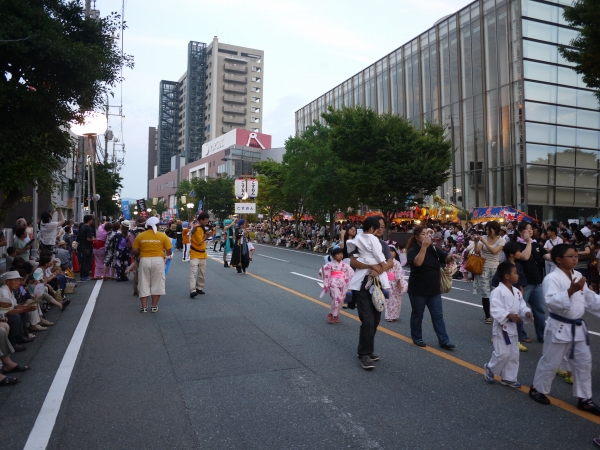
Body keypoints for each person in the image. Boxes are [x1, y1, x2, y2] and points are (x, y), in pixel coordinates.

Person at [529, 244, 600, 415]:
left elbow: (590, 299)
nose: (575, 259)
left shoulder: (578, 275)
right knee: (551, 361)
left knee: (584, 363)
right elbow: (551, 302)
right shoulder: (551, 278)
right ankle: (537, 388)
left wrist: (576, 289)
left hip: (578, 328)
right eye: (571, 256)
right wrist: (570, 291)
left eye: (576, 256)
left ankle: (584, 398)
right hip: (559, 326)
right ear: (559, 259)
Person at [346, 217, 392, 370]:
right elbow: (353, 262)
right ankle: (364, 353)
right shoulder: (359, 241)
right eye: (379, 226)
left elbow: (390, 262)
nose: (380, 229)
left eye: (383, 227)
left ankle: (367, 349)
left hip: (378, 284)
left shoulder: (383, 244)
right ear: (372, 228)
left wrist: (378, 270)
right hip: (362, 284)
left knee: (376, 319)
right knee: (367, 319)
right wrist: (372, 266)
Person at [406, 226, 460, 350]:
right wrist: (424, 247)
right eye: (423, 234)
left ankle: (444, 340)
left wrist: (451, 257)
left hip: (434, 288)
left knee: (438, 315)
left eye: (427, 233)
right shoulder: (413, 250)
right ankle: (417, 337)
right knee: (417, 314)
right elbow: (417, 263)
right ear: (416, 237)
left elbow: (445, 258)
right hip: (418, 289)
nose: (426, 236)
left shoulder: (434, 248)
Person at [484, 262, 533, 388]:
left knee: (513, 354)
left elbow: (521, 306)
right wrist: (508, 315)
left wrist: (526, 312)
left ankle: (508, 378)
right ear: (507, 276)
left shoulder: (517, 292)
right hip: (502, 328)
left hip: (513, 327)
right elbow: (495, 309)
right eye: (515, 273)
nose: (518, 275)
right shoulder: (497, 291)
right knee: (502, 354)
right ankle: (490, 367)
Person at [515, 222, 550, 343]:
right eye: (526, 229)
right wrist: (528, 242)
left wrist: (563, 257)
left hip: (537, 281)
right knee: (520, 309)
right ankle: (521, 334)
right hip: (524, 283)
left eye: (531, 229)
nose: (530, 231)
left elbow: (547, 256)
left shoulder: (536, 244)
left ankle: (542, 335)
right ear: (520, 231)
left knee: (540, 309)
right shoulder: (516, 245)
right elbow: (525, 257)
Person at [131, 217, 172, 313]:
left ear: (147, 226)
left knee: (143, 283)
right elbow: (169, 251)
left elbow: (134, 250)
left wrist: (142, 249)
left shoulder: (140, 236)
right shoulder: (162, 236)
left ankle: (144, 307)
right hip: (158, 261)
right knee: (157, 283)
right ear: (157, 226)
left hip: (144, 260)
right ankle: (154, 306)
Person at [473, 221, 506, 325]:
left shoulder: (501, 240)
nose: (487, 231)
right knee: (485, 293)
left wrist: (485, 242)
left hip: (495, 268)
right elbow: (477, 251)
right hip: (483, 268)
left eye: (489, 229)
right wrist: (476, 242)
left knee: (496, 293)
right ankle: (487, 316)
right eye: (486, 229)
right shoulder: (484, 238)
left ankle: (497, 314)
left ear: (495, 229)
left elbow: (494, 251)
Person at [319, 247, 353, 324]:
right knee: (337, 298)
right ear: (333, 256)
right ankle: (330, 314)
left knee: (341, 299)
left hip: (343, 283)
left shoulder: (345, 265)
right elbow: (323, 270)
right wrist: (322, 273)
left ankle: (336, 314)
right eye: (338, 254)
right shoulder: (330, 264)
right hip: (333, 283)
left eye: (341, 254)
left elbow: (351, 273)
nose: (340, 255)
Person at [189, 212, 212, 298]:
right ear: (201, 220)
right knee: (196, 272)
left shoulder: (200, 228)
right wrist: (206, 236)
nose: (206, 221)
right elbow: (199, 242)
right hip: (196, 253)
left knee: (199, 272)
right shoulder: (198, 229)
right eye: (205, 220)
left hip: (200, 253)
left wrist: (206, 235)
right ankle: (194, 289)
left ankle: (197, 288)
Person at [384, 245, 408, 322]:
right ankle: (389, 316)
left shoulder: (397, 263)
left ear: (395, 253)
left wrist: (398, 282)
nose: (391, 253)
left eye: (392, 251)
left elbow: (398, 273)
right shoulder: (384, 262)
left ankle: (395, 315)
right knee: (388, 300)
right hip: (387, 282)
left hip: (395, 283)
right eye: (389, 251)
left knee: (396, 300)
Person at [77, 215, 94, 281]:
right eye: (91, 220)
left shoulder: (82, 227)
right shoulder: (88, 228)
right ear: (89, 220)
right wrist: (94, 239)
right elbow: (88, 238)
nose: (92, 221)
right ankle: (85, 275)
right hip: (87, 247)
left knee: (83, 261)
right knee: (87, 261)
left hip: (82, 246)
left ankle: (82, 275)